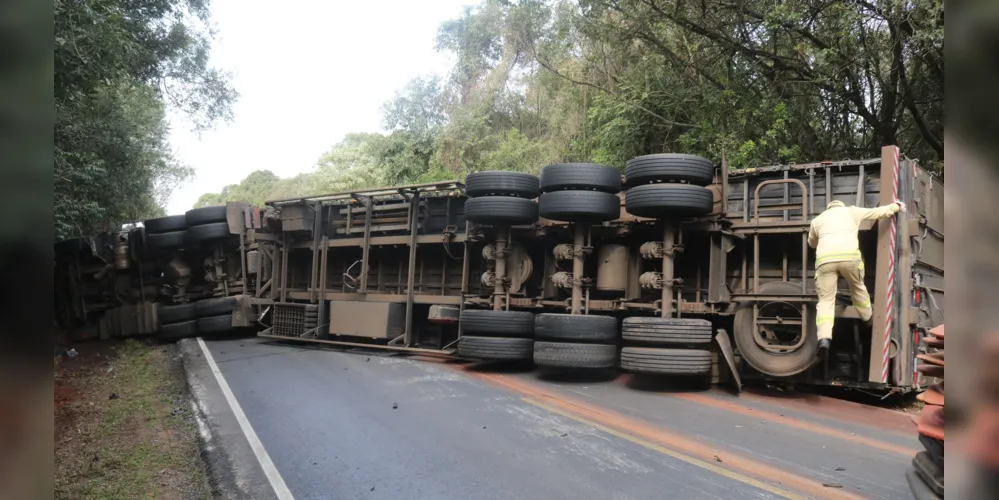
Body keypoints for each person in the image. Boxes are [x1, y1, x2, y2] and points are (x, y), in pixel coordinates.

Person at [807, 199, 905, 358]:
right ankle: (867, 319)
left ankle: (824, 339)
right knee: (857, 288)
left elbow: (812, 243)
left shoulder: (818, 220)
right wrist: (896, 206)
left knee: (825, 300)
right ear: (841, 205)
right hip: (850, 258)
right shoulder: (851, 211)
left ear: (828, 208)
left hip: (825, 261)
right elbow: (877, 212)